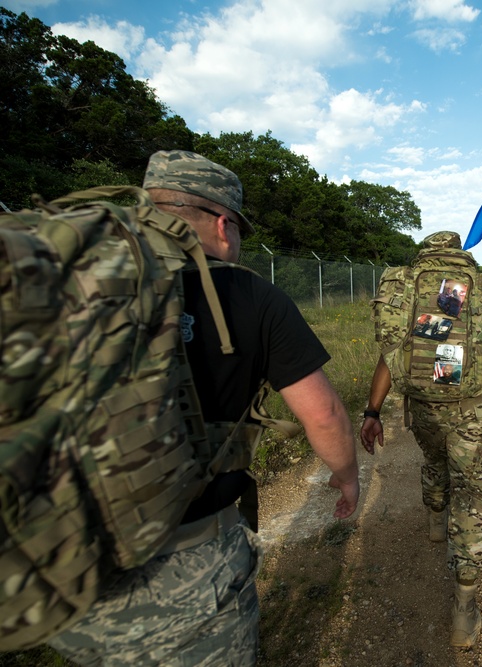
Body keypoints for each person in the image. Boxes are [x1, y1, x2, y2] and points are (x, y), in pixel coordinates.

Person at [47, 150, 361, 665]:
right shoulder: (250, 294)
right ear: (222, 224)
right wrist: (347, 476)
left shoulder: (65, 275)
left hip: (68, 565)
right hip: (190, 569)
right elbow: (323, 413)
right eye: (237, 228)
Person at [361, 231, 482, 648]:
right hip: (474, 410)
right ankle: (464, 608)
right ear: (461, 254)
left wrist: (372, 412)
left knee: (432, 459)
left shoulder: (407, 288)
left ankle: (434, 520)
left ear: (424, 255)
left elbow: (390, 357)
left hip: (423, 407)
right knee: (472, 494)